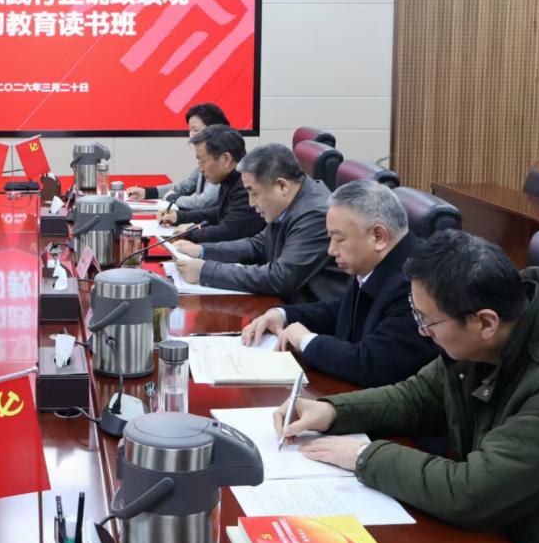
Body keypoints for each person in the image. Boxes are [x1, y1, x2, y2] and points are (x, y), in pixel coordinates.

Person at [277, 230, 539, 543]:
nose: (423, 332)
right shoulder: (491, 338)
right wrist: (332, 411)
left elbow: (473, 492)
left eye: (427, 320)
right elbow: (418, 396)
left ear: (485, 322)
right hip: (515, 532)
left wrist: (365, 456)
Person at [242, 179, 435, 387]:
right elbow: (341, 310)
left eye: (339, 239)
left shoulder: (416, 283)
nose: (331, 250)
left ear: (378, 236)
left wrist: (306, 341)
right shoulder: (375, 262)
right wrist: (283, 315)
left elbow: (374, 364)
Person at [172, 142, 345, 300]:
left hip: (307, 313)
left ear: (282, 186)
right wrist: (202, 250)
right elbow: (257, 245)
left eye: (253, 193)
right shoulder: (291, 201)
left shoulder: (314, 215)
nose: (251, 202)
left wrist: (206, 271)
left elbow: (280, 278)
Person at [159, 124, 264, 243]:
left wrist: (190, 233)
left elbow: (229, 232)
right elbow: (220, 212)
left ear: (226, 159)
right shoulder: (231, 178)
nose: (200, 168)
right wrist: (179, 217)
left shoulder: (246, 185)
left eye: (202, 161)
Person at [126, 102, 228, 212]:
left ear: (214, 129)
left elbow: (204, 202)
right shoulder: (208, 157)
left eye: (196, 130)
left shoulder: (223, 159)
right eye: (190, 130)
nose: (191, 135)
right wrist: (147, 192)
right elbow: (185, 186)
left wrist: (174, 199)